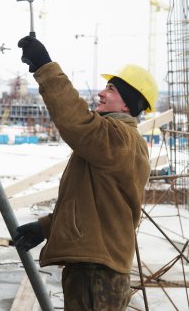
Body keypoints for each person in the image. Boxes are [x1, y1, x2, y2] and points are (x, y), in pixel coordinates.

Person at [14, 36, 158, 311]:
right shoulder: (107, 143)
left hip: (100, 273)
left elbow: (76, 121)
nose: (102, 93)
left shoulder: (120, 139)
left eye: (112, 89)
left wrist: (45, 67)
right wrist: (46, 227)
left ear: (127, 104)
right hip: (90, 267)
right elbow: (91, 203)